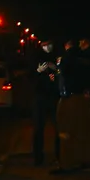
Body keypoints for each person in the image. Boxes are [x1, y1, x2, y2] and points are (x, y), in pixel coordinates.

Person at [52, 38, 90, 174]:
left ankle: (66, 164)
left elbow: (63, 77)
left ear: (66, 45)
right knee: (82, 130)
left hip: (70, 97)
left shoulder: (67, 58)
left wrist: (62, 93)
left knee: (65, 131)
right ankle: (83, 160)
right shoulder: (86, 57)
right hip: (83, 97)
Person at [31, 38, 60, 166]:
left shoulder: (57, 57)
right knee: (38, 129)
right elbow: (29, 76)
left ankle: (59, 156)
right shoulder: (35, 58)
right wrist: (38, 71)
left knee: (58, 128)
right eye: (45, 45)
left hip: (54, 97)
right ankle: (38, 157)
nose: (47, 47)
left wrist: (56, 71)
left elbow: (63, 74)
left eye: (50, 44)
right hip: (40, 97)